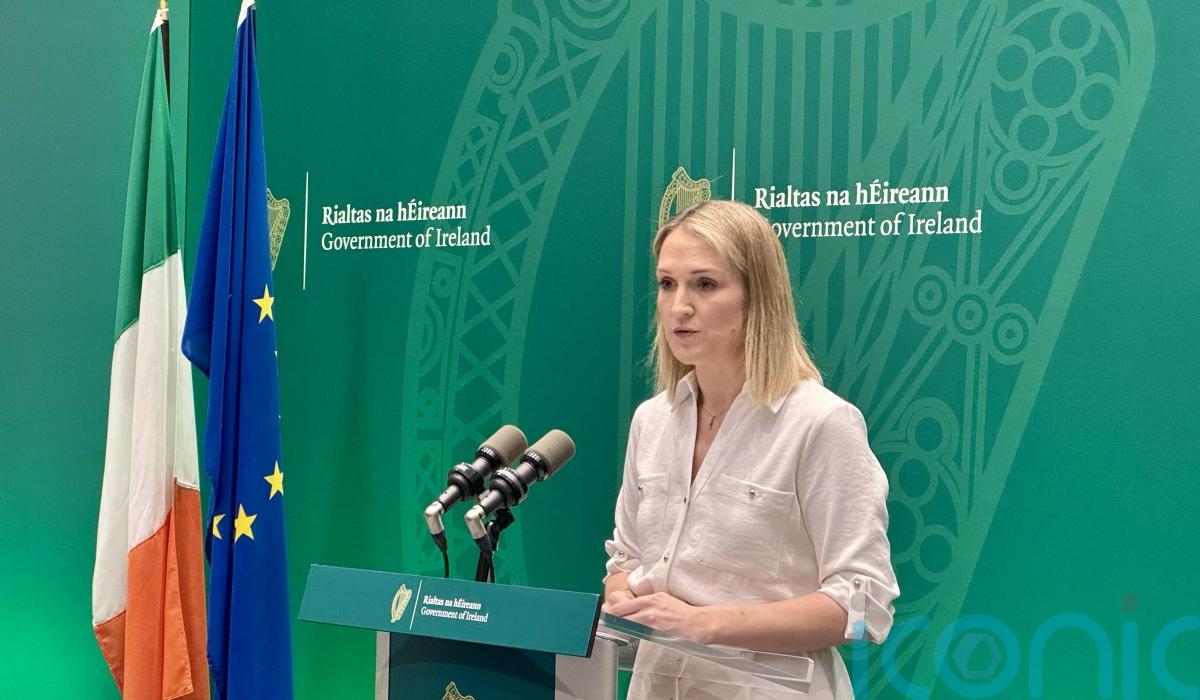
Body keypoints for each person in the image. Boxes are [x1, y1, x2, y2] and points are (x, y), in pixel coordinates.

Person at [603, 200, 898, 699]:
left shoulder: (820, 422)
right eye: (667, 284)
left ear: (756, 296)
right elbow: (626, 561)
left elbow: (864, 608)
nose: (679, 307)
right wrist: (622, 596)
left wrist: (706, 623)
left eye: (705, 284)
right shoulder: (651, 421)